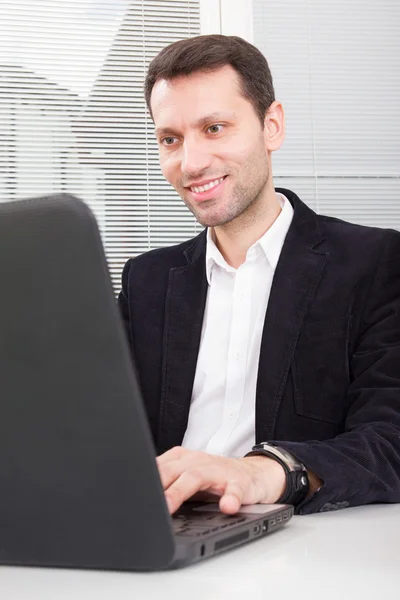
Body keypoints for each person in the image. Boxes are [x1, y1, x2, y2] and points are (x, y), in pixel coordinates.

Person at [118, 34, 400, 516]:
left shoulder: (373, 262)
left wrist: (262, 472)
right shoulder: (146, 280)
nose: (191, 163)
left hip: (303, 541)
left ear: (272, 126)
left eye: (214, 128)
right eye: (171, 139)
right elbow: (99, 430)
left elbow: (390, 439)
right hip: (165, 529)